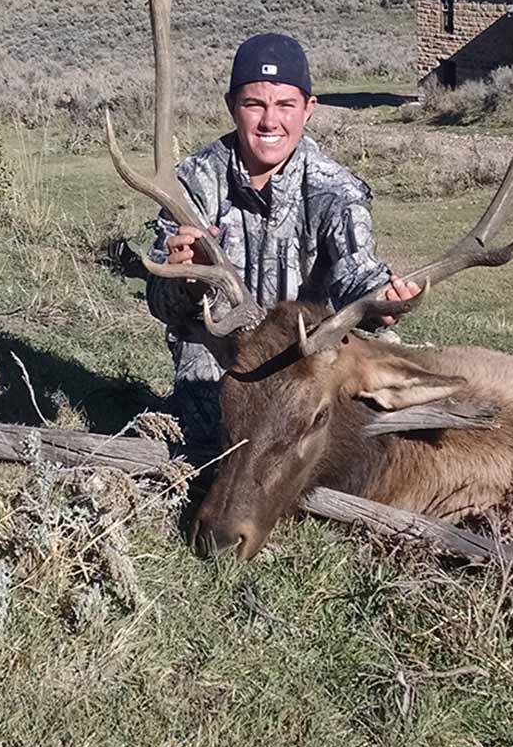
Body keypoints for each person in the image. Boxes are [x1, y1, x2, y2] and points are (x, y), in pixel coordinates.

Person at [144, 31, 420, 460]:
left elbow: (357, 274)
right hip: (222, 353)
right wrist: (185, 281)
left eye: (285, 105)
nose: (270, 121)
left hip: (306, 359)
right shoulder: (191, 184)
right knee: (209, 449)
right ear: (231, 105)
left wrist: (383, 300)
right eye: (254, 104)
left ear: (308, 109)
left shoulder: (336, 191)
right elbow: (159, 302)